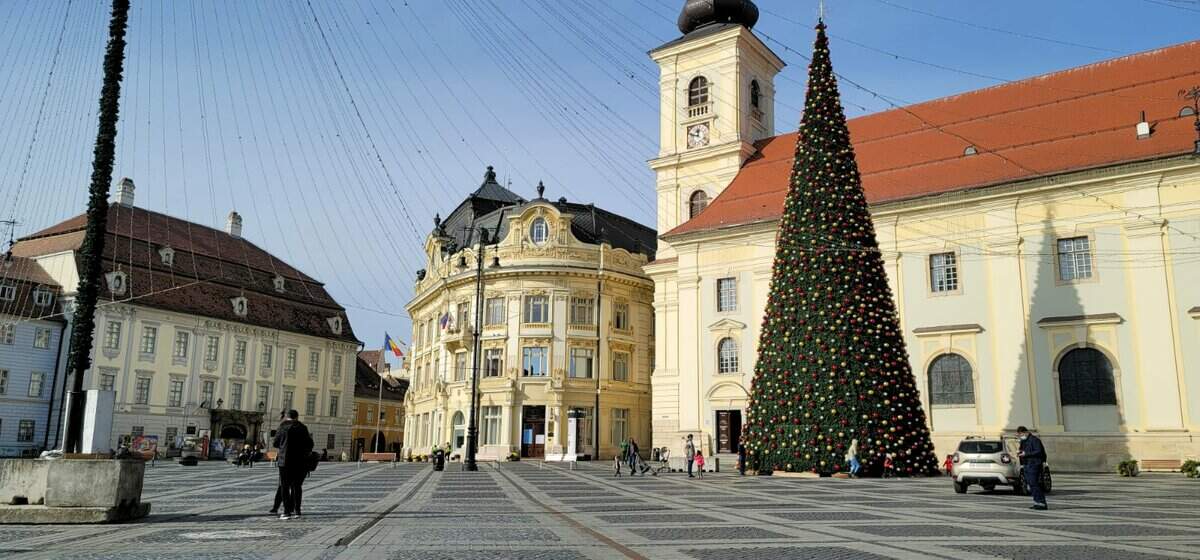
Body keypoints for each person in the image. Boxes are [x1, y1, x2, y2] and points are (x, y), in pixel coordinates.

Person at [273, 409, 313, 520]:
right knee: (297, 486)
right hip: (300, 461)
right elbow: (310, 444)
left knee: (285, 486)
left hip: (284, 461)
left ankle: (286, 512)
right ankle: (297, 511)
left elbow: (275, 443)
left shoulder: (283, 427)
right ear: (297, 417)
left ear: (287, 416)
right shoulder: (303, 428)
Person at [1017, 426, 1048, 510]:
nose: (1020, 436)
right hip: (1027, 464)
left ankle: (1041, 503)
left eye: (1021, 434)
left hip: (1034, 464)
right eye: (1019, 435)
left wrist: (1026, 454)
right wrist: (1020, 452)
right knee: (1030, 483)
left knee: (1034, 483)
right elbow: (1022, 449)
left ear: (1025, 432)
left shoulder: (1035, 440)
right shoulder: (1024, 441)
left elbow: (1038, 451)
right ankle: (1036, 502)